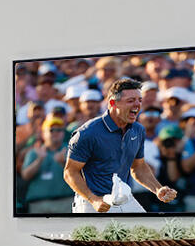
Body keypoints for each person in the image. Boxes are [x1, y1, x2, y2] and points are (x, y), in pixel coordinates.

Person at [63, 80, 179, 213]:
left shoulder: (138, 130)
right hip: (91, 202)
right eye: (131, 100)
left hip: (125, 198)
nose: (137, 104)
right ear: (113, 103)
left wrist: (158, 189)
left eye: (139, 100)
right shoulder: (87, 133)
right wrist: (93, 199)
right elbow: (69, 172)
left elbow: (138, 167)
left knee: (146, 232)